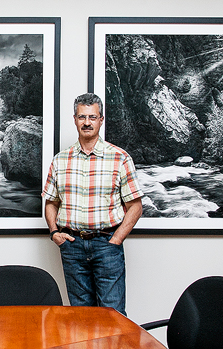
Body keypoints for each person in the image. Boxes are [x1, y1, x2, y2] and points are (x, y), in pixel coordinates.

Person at [42, 93, 143, 316]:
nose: (87, 122)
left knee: (113, 316)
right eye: (82, 117)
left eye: (92, 117)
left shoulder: (120, 158)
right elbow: (51, 202)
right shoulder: (60, 160)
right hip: (72, 246)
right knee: (80, 318)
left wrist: (115, 240)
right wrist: (55, 233)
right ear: (75, 119)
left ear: (101, 119)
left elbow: (135, 205)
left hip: (107, 245)